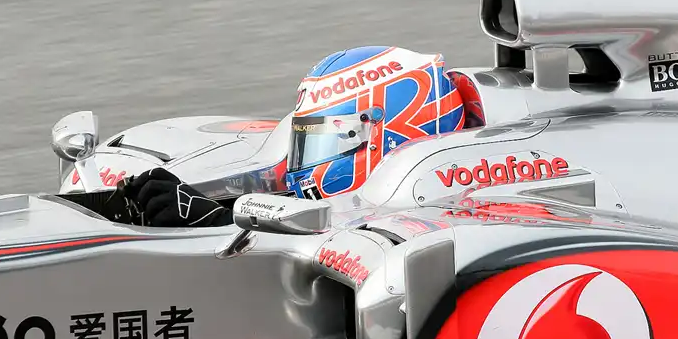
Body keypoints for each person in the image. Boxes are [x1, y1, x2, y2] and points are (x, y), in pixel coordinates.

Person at [123, 45, 479, 227]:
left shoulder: (444, 215)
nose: (304, 164)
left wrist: (215, 222)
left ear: (386, 137)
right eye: (307, 139)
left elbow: (347, 229)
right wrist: (212, 206)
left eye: (328, 138)